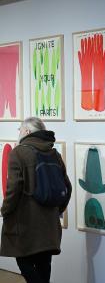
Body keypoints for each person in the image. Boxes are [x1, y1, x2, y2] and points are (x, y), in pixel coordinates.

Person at [0, 117, 72, 283]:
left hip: (26, 224)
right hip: (49, 225)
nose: (19, 133)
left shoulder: (18, 153)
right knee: (44, 264)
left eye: (19, 129)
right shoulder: (54, 153)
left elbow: (13, 190)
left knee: (23, 260)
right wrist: (57, 210)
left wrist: (5, 211)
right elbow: (67, 188)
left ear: (26, 131)